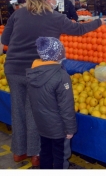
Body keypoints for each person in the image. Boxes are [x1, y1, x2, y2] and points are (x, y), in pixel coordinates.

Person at [1, 0, 106, 167]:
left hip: (12, 68)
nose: (57, 0)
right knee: (34, 112)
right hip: (36, 71)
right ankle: (35, 154)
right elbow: (78, 30)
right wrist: (98, 22)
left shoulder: (18, 14)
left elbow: (6, 40)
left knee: (17, 110)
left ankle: (18, 151)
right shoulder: (55, 17)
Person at [26, 37, 76, 169]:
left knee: (46, 152)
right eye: (61, 49)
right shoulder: (61, 76)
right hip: (58, 127)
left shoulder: (33, 73)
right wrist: (70, 128)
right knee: (60, 156)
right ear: (56, 54)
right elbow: (66, 106)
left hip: (42, 124)